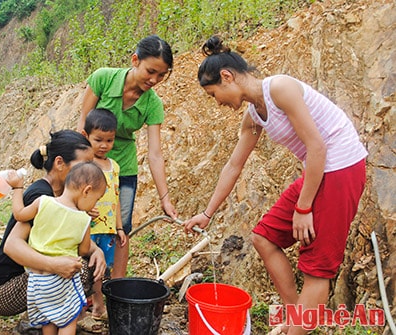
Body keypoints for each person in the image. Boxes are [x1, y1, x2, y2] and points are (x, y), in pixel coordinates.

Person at [183, 36, 367, 335]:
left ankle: (298, 329)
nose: (216, 102)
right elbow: (234, 165)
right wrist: (207, 213)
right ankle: (298, 320)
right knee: (264, 238)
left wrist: (304, 208)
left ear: (227, 77)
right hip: (318, 172)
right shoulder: (254, 114)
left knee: (317, 268)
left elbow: (317, 146)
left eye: (212, 93)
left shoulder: (279, 88)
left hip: (341, 168)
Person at [77, 35, 178, 278]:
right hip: (90, 164)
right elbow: (82, 126)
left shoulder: (153, 104)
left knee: (121, 228)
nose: (154, 80)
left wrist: (165, 198)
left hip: (124, 168)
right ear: (135, 60)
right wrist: (81, 165)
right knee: (83, 222)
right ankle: (82, 284)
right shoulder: (103, 78)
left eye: (161, 75)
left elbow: (155, 154)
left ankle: (117, 290)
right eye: (150, 71)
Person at [0, 130, 107, 320]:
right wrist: (54, 265)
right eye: (84, 165)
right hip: (3, 291)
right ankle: (56, 321)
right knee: (80, 271)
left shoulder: (61, 199)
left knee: (96, 266)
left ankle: (51, 319)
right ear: (59, 163)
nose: (88, 172)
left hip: (30, 278)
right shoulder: (41, 197)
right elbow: (12, 245)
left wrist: (96, 250)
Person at [7, 161, 107, 335]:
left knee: (49, 319)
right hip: (61, 280)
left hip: (36, 281)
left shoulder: (42, 202)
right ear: (87, 191)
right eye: (96, 199)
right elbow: (83, 251)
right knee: (69, 319)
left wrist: (17, 188)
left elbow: (19, 214)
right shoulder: (83, 220)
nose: (94, 205)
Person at [82, 108, 127, 321]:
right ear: (87, 136)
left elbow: (116, 200)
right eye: (98, 140)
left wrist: (119, 227)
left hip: (108, 229)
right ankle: (93, 304)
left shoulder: (114, 167)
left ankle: (98, 304)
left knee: (103, 269)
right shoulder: (84, 166)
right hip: (88, 228)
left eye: (109, 140)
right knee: (87, 268)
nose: (103, 145)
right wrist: (83, 209)